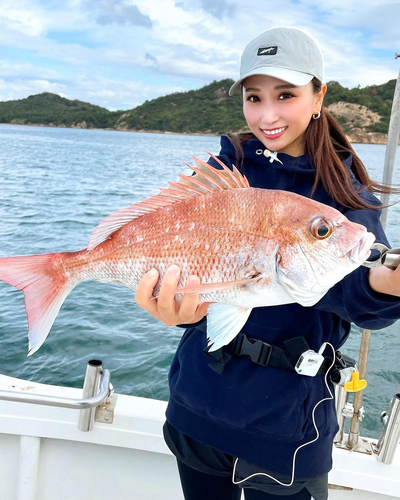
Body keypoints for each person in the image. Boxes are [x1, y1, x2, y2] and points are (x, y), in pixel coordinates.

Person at [135, 27, 400, 500]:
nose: (268, 114)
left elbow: (361, 298)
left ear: (319, 95)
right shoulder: (226, 168)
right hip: (198, 402)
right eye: (253, 98)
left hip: (285, 427)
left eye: (286, 95)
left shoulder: (343, 195)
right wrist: (174, 308)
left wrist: (389, 285)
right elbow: (196, 280)